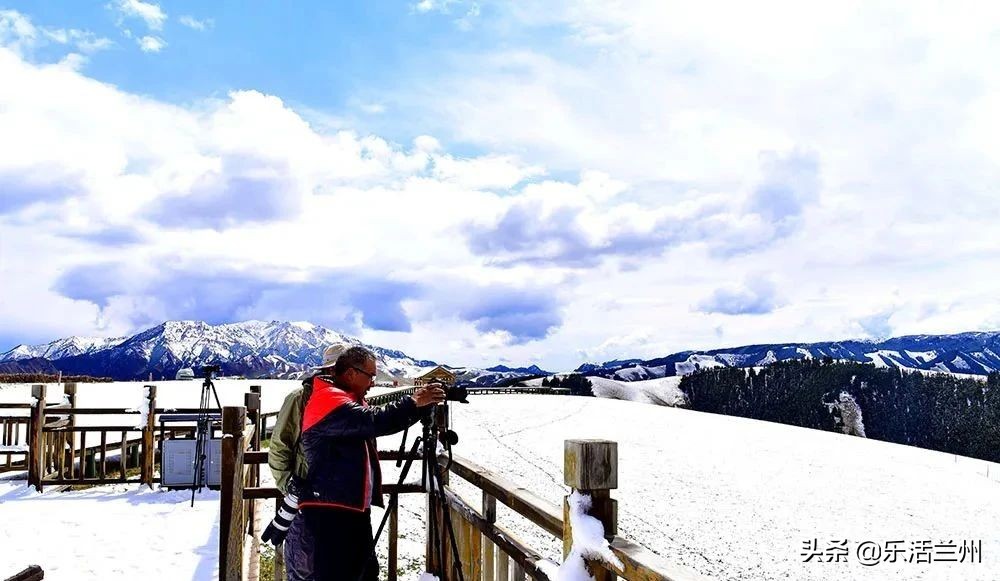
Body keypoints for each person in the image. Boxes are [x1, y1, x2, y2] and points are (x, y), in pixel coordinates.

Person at [300, 346, 445, 580]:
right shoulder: (329, 399)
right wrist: (413, 402)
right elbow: (375, 421)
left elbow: (382, 422)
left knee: (363, 572)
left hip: (346, 504)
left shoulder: (345, 398)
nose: (373, 383)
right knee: (340, 574)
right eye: (370, 375)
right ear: (350, 374)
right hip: (332, 508)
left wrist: (418, 408)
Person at [266, 344, 347, 580]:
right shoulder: (300, 398)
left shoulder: (348, 400)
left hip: (340, 502)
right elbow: (279, 447)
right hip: (307, 502)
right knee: (304, 567)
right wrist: (291, 490)